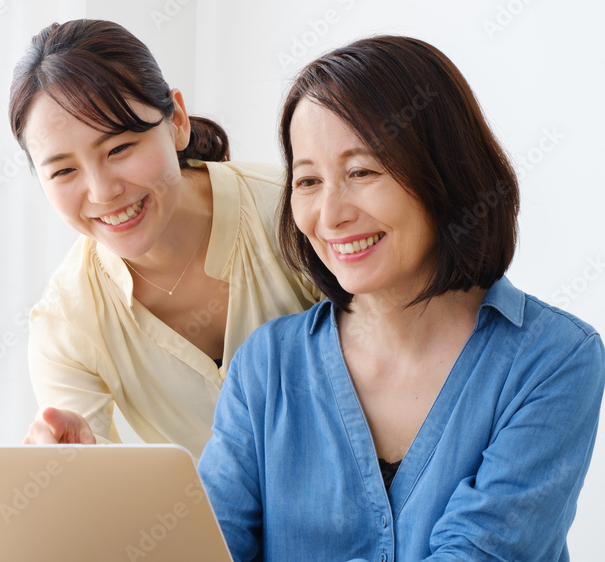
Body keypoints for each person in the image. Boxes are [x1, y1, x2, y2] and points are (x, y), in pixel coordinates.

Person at [197, 35, 604, 560]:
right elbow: (206, 547)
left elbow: (480, 551)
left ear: (446, 171)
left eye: (362, 172)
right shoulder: (267, 363)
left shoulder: (555, 359)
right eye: (308, 181)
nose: (331, 215)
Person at [8, 19, 318, 458]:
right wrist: (71, 467)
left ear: (177, 121)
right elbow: (92, 481)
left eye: (119, 148)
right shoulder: (67, 319)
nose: (102, 192)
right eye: (63, 171)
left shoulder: (295, 214)